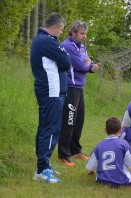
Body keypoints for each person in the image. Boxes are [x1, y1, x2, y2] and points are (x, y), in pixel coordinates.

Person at [30, 12, 71, 183]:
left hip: (53, 92)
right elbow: (66, 61)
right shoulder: (46, 41)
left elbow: (63, 61)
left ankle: (44, 164)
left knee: (45, 128)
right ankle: (41, 170)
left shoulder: (45, 40)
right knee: (50, 129)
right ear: (54, 28)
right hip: (51, 92)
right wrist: (63, 60)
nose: (61, 33)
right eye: (61, 30)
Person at [58, 21, 100, 167]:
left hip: (80, 87)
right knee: (69, 121)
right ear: (73, 33)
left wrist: (90, 64)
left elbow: (89, 63)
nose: (84, 36)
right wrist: (88, 65)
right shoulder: (67, 46)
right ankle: (63, 154)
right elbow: (82, 66)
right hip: (70, 87)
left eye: (85, 33)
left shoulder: (81, 46)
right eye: (82, 33)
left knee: (78, 120)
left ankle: (75, 150)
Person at [86, 117, 131, 187]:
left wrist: (91, 171)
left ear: (105, 130)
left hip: (101, 180)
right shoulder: (124, 144)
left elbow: (90, 167)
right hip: (121, 181)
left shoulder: (99, 145)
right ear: (120, 131)